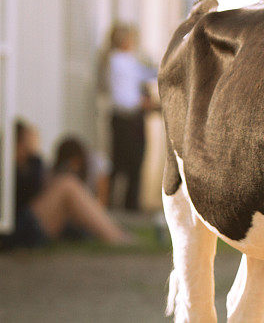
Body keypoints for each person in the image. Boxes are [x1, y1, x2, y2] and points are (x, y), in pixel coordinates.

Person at [1, 121, 132, 250]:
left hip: (28, 223)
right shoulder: (9, 169)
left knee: (68, 186)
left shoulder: (32, 163)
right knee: (67, 185)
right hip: (15, 229)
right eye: (28, 138)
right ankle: (117, 238)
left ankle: (115, 234)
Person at [100, 23, 157, 211]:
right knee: (125, 164)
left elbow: (147, 74)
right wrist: (144, 104)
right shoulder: (119, 61)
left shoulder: (127, 60)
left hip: (128, 119)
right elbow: (124, 98)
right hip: (127, 119)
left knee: (127, 164)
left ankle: (124, 205)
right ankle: (122, 206)